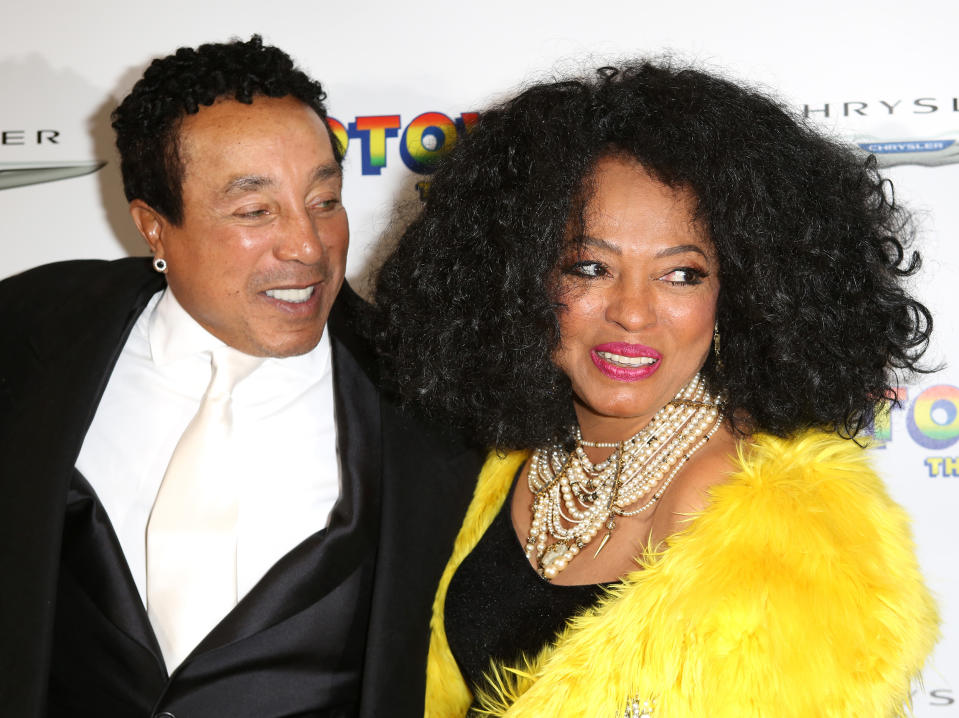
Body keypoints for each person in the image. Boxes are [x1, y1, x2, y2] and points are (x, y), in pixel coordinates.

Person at [373, 61, 940, 717]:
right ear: (519, 280)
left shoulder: (763, 514)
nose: (632, 312)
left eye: (680, 275)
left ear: (743, 293)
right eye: (589, 267)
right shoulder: (503, 463)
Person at [0, 36, 480, 718]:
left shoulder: (430, 398)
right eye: (255, 212)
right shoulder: (26, 335)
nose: (307, 247)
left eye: (324, 200)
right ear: (153, 228)